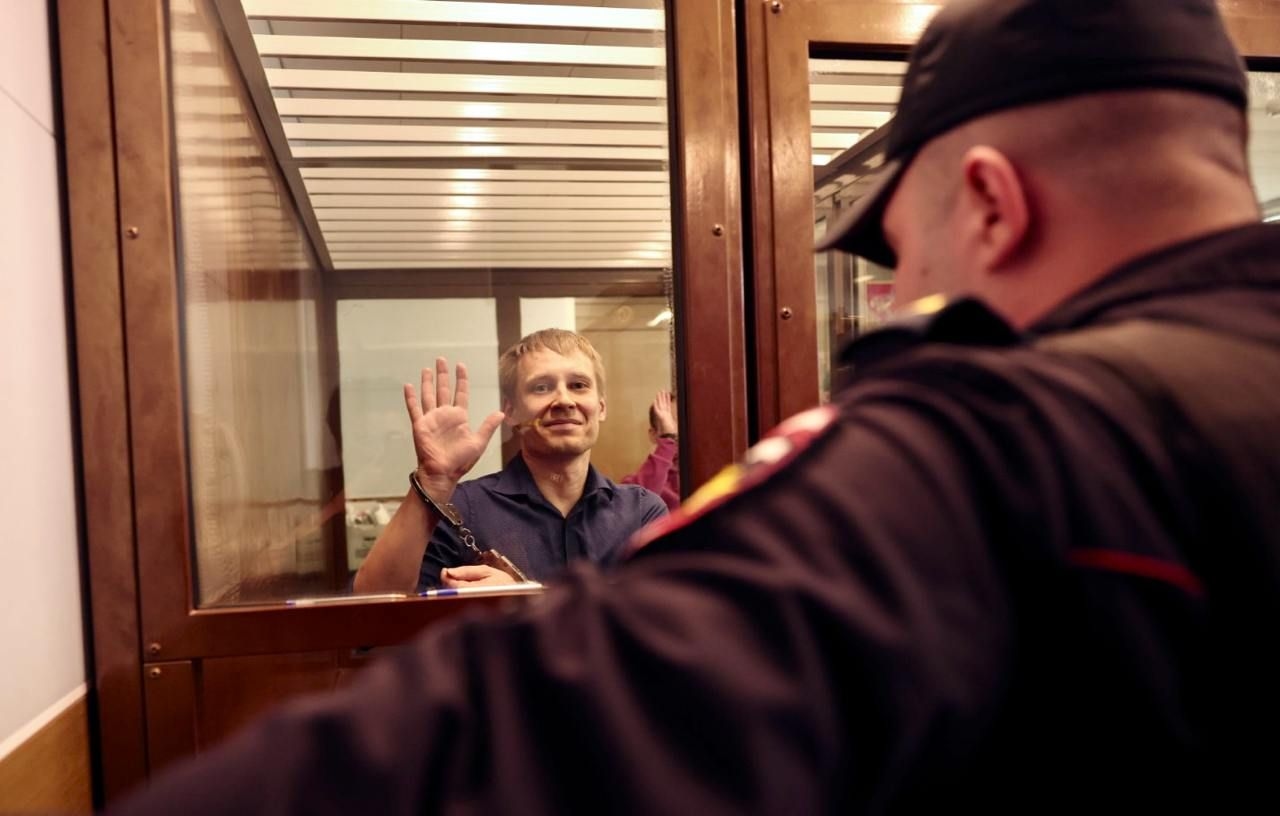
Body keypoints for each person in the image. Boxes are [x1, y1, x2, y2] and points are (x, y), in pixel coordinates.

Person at [111, 0, 1280, 812]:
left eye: (901, 247)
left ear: (987, 202)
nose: (906, 291)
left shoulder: (995, 448)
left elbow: (537, 733)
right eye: (540, 387)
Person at [353, 329, 667, 591]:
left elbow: (660, 623)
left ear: (601, 407)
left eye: (578, 385)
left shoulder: (642, 513)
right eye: (541, 387)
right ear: (511, 411)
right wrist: (432, 482)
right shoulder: (462, 508)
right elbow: (373, 609)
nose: (564, 400)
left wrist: (525, 598)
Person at [620, 389, 681, 511]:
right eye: (670, 424)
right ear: (653, 435)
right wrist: (668, 439)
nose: (677, 432)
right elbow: (634, 508)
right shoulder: (635, 485)